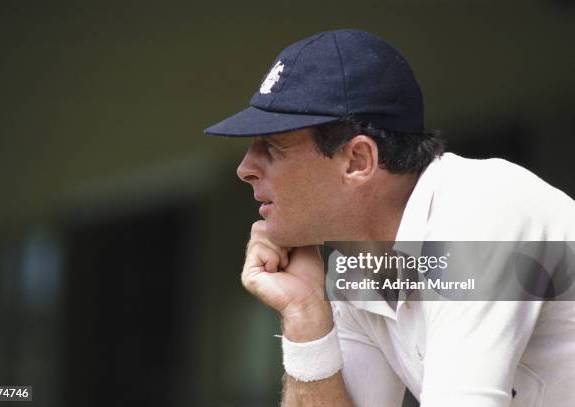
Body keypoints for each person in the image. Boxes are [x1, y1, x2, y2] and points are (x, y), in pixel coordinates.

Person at [204, 29, 575, 406]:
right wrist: (305, 316)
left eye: (273, 147)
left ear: (358, 161)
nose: (245, 168)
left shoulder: (482, 210)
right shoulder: (355, 266)